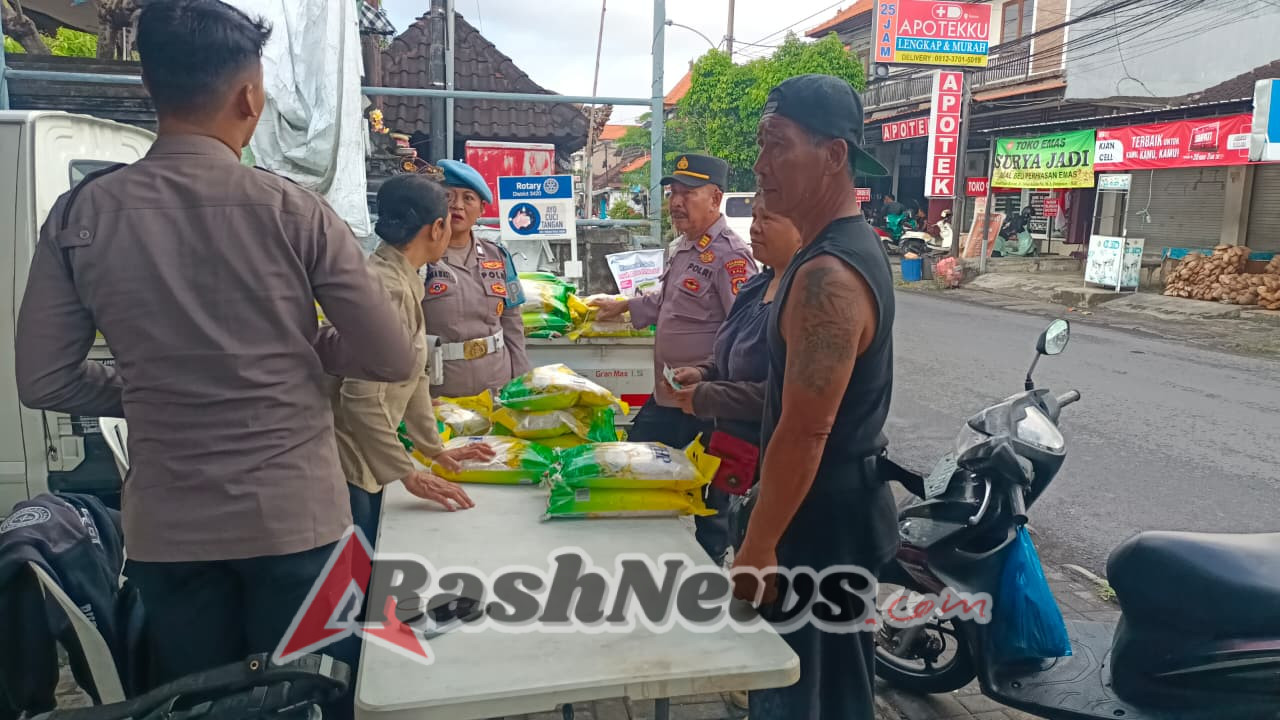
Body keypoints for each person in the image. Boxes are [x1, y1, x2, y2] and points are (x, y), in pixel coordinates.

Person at [13, 0, 414, 696]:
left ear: (151, 86)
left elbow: (43, 379)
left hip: (172, 532)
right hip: (298, 521)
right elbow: (388, 356)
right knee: (310, 697)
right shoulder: (294, 211)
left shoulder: (81, 215)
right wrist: (304, 346)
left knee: (196, 706)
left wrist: (143, 383)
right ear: (249, 96)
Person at [734, 73, 901, 720]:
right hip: (831, 518)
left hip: (816, 531)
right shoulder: (835, 254)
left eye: (777, 144)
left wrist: (758, 546)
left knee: (799, 695)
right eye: (760, 144)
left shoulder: (828, 274)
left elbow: (807, 430)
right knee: (833, 692)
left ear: (833, 157)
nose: (760, 164)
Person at [590, 153, 758, 564]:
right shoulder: (684, 247)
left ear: (715, 197)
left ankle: (706, 583)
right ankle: (643, 561)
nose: (676, 202)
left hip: (708, 403)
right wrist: (625, 306)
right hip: (668, 395)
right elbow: (667, 302)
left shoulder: (731, 256)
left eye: (688, 193)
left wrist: (712, 381)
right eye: (673, 193)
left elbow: (745, 332)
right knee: (638, 467)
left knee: (712, 503)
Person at [333, 174, 497, 545]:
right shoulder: (386, 289)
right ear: (437, 228)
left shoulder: (402, 278)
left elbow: (415, 375)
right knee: (359, 577)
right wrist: (408, 472)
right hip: (354, 464)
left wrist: (433, 448)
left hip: (373, 455)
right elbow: (360, 398)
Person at [665, 192, 803, 542]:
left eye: (766, 220)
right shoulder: (759, 284)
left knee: (745, 542)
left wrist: (708, 395)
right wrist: (704, 372)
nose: (754, 229)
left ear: (802, 229)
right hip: (733, 446)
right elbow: (730, 350)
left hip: (773, 458)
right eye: (754, 219)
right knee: (723, 531)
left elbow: (787, 392)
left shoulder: (805, 296)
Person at [421, 159, 531, 399]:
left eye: (468, 198)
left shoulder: (498, 256)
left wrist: (521, 382)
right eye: (448, 197)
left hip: (495, 386)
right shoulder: (421, 257)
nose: (457, 206)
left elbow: (513, 323)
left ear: (482, 209)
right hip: (440, 391)